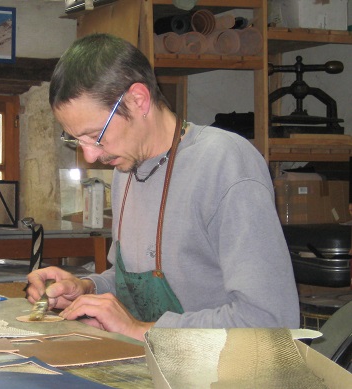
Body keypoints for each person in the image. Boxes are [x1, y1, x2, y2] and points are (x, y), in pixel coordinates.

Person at [26, 33, 300, 341]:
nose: (90, 154)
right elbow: (133, 284)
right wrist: (86, 289)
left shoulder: (225, 164)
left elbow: (272, 321)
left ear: (138, 100)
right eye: (76, 140)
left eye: (95, 135)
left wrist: (139, 330)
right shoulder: (126, 168)